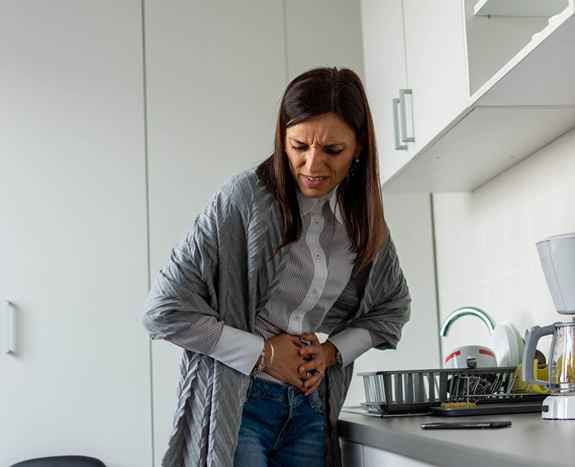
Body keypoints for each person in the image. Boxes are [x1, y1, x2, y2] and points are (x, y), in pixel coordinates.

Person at [143, 67, 411, 467]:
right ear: (282, 138)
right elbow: (164, 311)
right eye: (299, 145)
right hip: (241, 405)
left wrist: (332, 352)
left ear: (359, 149)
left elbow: (391, 307)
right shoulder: (243, 199)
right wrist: (263, 353)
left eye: (332, 151)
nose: (312, 164)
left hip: (310, 410)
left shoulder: (363, 221)